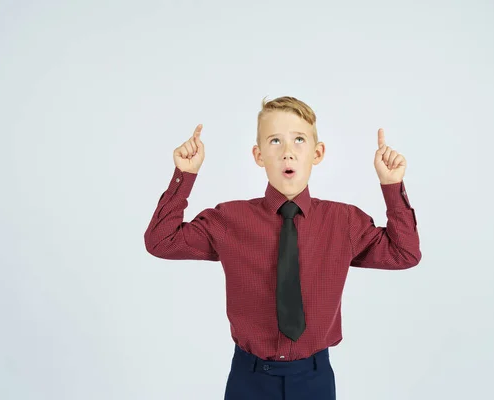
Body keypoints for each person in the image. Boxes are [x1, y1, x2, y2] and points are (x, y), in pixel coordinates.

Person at [143, 96, 421, 399]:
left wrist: (392, 186)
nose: (288, 152)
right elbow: (161, 241)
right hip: (249, 379)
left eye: (299, 140)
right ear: (259, 155)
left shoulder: (344, 222)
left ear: (317, 153)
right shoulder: (228, 219)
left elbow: (403, 253)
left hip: (314, 378)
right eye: (275, 141)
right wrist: (184, 175)